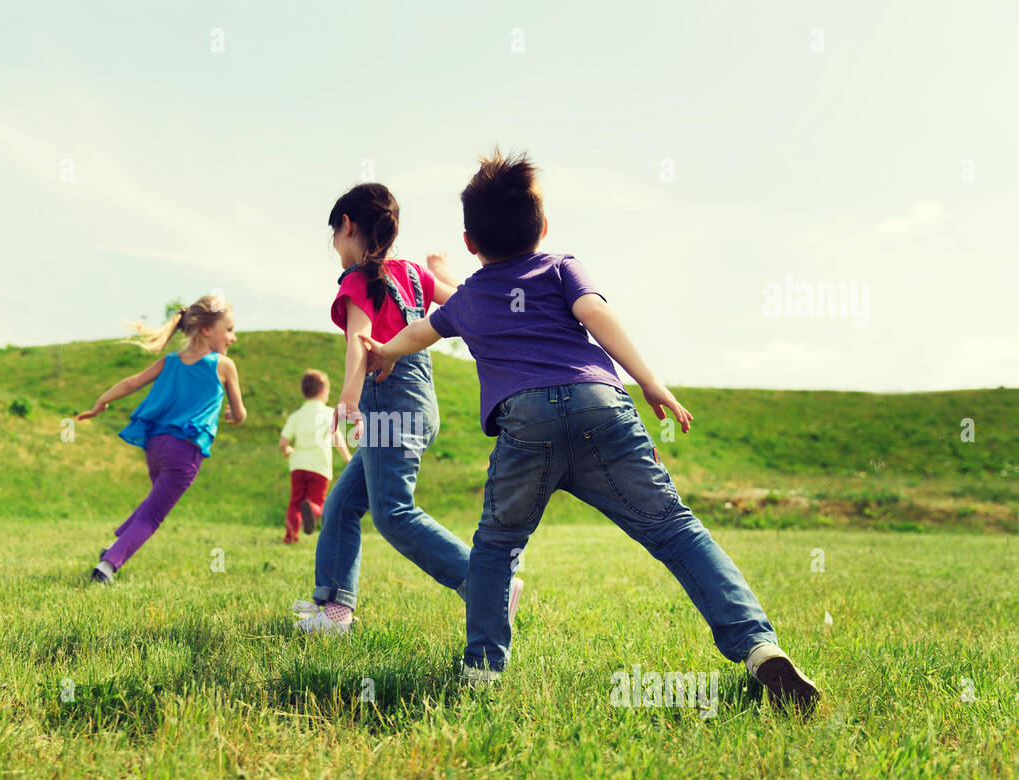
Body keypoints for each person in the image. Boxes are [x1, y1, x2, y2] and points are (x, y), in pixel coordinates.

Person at [360, 150, 818, 712]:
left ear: (470, 242)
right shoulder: (560, 267)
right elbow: (599, 317)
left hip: (525, 422)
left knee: (497, 547)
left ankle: (482, 672)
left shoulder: (471, 297)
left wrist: (382, 351)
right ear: (543, 228)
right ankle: (758, 646)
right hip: (601, 408)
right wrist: (650, 382)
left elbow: (419, 333)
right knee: (675, 530)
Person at [293, 182, 523, 635]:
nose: (335, 247)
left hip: (388, 407)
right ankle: (334, 611)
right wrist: (444, 271)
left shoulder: (359, 280)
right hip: (419, 406)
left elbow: (360, 345)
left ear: (347, 226)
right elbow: (463, 302)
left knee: (393, 512)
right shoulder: (414, 274)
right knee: (341, 505)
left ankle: (490, 585)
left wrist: (347, 400)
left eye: (334, 235)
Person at [79, 294, 246, 583]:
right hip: (186, 452)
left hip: (156, 446)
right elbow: (241, 414)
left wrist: (101, 403)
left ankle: (116, 545)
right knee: (153, 515)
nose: (233, 338)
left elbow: (132, 382)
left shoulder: (170, 361)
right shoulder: (223, 366)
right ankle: (107, 565)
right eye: (229, 329)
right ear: (207, 330)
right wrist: (234, 415)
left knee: (154, 501)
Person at [280, 369, 351, 544]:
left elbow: (283, 442)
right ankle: (311, 510)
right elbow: (337, 438)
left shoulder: (296, 415)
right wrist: (348, 458)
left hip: (298, 465)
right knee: (317, 501)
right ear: (322, 392)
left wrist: (287, 450)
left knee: (294, 501)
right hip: (319, 466)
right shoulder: (328, 413)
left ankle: (290, 536)